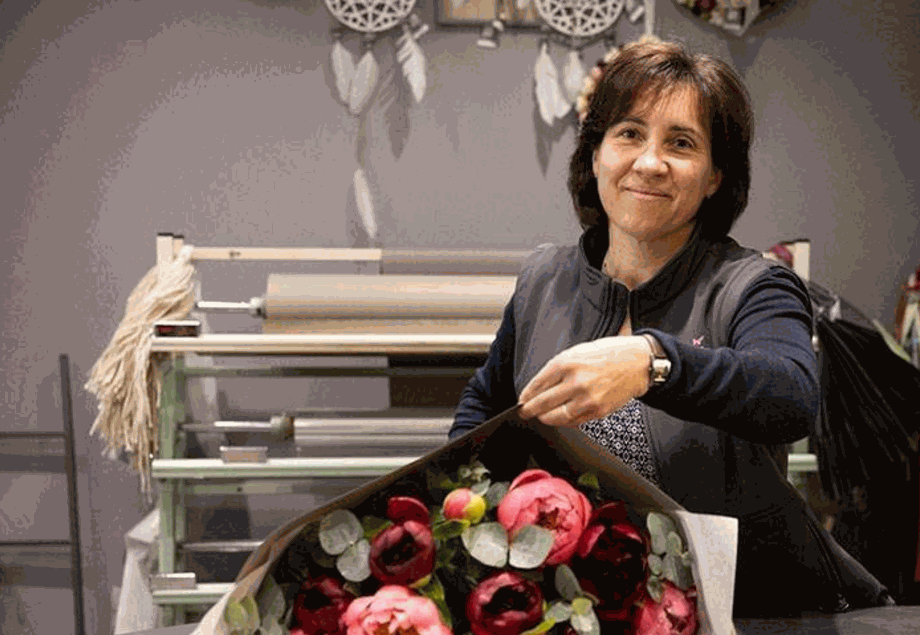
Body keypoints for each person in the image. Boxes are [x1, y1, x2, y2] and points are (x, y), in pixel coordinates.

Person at [448, 37, 892, 618]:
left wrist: (652, 362)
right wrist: (460, 506)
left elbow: (790, 395)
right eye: (629, 134)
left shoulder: (755, 285)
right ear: (595, 154)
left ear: (714, 177)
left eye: (681, 143)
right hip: (586, 607)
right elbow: (485, 407)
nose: (649, 162)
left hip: (745, 610)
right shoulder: (543, 280)